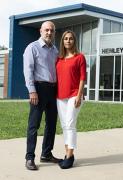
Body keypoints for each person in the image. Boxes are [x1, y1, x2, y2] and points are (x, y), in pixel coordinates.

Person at [23, 21, 61, 170]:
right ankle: (29, 158)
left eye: (52, 30)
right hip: (38, 89)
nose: (49, 33)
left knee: (51, 124)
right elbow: (28, 70)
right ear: (40, 31)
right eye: (46, 30)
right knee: (34, 125)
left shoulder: (55, 50)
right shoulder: (32, 47)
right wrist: (32, 90)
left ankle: (46, 154)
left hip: (53, 90)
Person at [56, 30, 86, 169]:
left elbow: (82, 78)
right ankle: (67, 153)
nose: (68, 41)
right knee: (64, 126)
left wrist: (79, 96)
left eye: (71, 39)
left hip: (74, 95)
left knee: (70, 124)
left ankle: (69, 156)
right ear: (62, 41)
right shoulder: (59, 59)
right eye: (65, 39)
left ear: (74, 41)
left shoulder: (80, 57)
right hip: (60, 96)